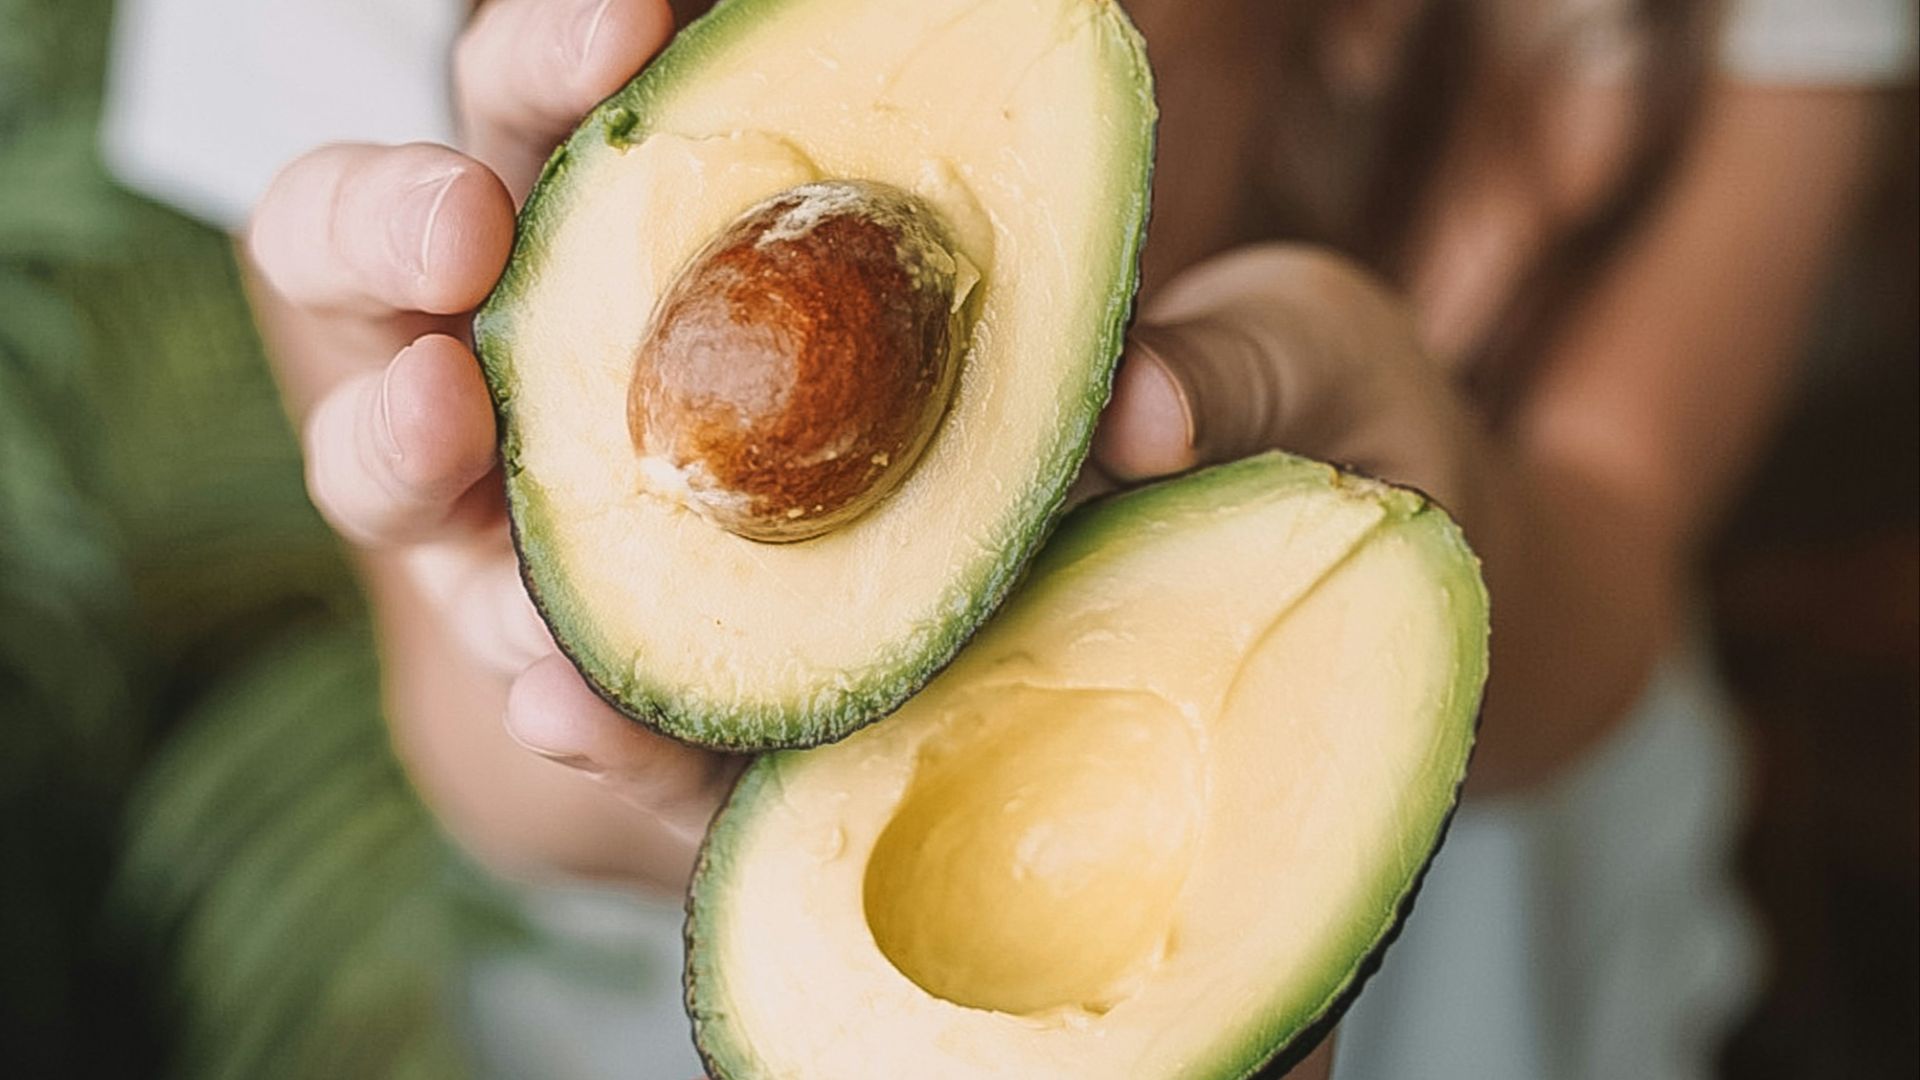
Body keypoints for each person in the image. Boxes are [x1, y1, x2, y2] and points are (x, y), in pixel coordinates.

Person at [100, 0, 1916, 1076]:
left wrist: (1443, 520)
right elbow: (481, 745)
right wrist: (557, 661)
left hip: (1503, 916)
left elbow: (1615, 539)